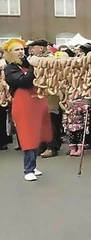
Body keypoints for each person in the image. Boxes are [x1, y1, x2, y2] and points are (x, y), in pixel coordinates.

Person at [2, 38, 52, 181]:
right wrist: (32, 68)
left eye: (21, 49)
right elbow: (23, 81)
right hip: (24, 106)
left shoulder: (27, 63)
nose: (20, 52)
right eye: (16, 50)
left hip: (37, 103)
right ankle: (28, 169)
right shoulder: (10, 68)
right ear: (9, 53)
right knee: (28, 136)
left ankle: (33, 165)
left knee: (37, 135)